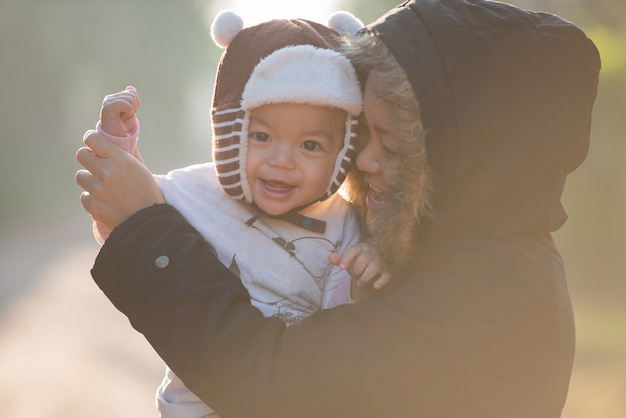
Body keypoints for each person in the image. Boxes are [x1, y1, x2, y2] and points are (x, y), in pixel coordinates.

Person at [75, 0, 601, 416]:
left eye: (393, 145)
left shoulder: (497, 285)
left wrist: (147, 229)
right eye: (364, 133)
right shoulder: (443, 241)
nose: (365, 159)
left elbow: (273, 381)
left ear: (462, 154)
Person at [88, 10, 397, 418]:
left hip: (280, 396)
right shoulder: (200, 192)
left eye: (310, 145)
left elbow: (339, 324)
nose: (282, 160)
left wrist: (363, 280)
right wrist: (118, 144)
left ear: (343, 149)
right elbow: (131, 216)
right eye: (262, 136)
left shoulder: (343, 222)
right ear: (231, 129)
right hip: (195, 405)